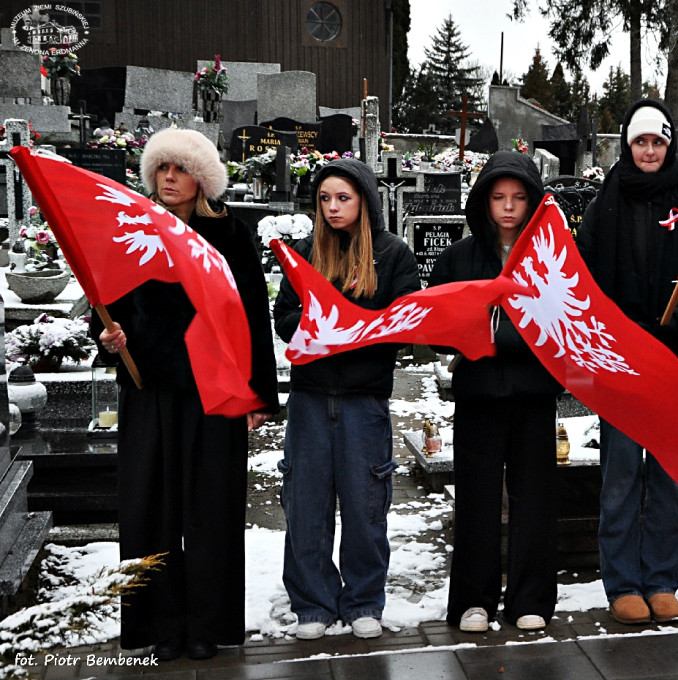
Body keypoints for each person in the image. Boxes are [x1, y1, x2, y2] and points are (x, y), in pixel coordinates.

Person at [95, 128, 280, 661]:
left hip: (213, 391)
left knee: (210, 508)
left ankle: (207, 623)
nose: (170, 178)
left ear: (202, 177)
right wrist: (107, 338)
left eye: (180, 169)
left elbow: (252, 318)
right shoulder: (130, 228)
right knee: (150, 507)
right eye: (162, 169)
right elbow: (107, 303)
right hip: (147, 385)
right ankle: (155, 624)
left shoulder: (231, 235)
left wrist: (256, 395)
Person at [576, 99, 678, 625]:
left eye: (657, 141)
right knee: (619, 472)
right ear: (628, 145)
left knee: (667, 473)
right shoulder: (606, 201)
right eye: (641, 142)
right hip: (620, 357)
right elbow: (583, 272)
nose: (650, 151)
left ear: (669, 144)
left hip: (674, 355)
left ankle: (661, 579)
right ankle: (622, 582)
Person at [273, 158, 419, 641]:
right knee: (307, 504)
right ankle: (313, 602)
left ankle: (362, 600)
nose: (333, 208)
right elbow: (285, 318)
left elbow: (404, 320)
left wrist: (354, 329)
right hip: (311, 399)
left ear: (364, 202)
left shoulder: (392, 254)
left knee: (365, 505)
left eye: (344, 198)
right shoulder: (304, 253)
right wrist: (324, 328)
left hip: (363, 401)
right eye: (325, 199)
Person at [428, 151, 563, 632]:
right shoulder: (459, 258)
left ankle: (530, 599)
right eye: (499, 197)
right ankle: (473, 599)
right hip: (479, 394)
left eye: (519, 198)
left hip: (532, 394)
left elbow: (565, 324)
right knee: (476, 499)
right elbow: (437, 326)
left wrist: (500, 338)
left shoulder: (551, 260)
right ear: (484, 202)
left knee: (534, 498)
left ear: (533, 202)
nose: (508, 208)